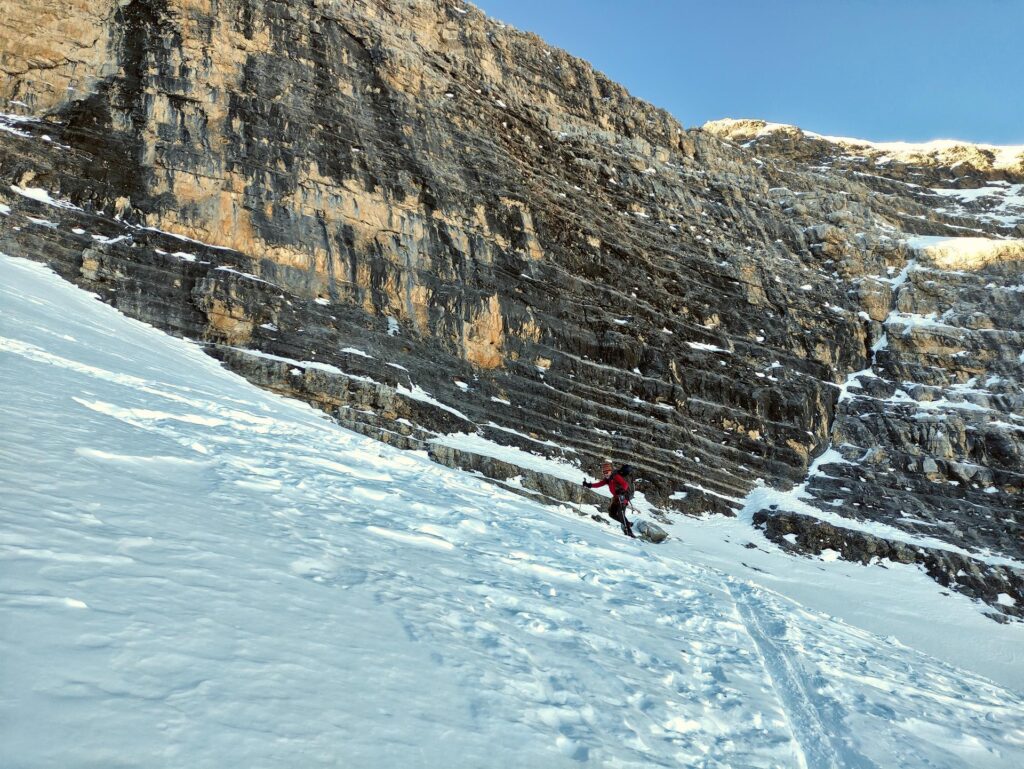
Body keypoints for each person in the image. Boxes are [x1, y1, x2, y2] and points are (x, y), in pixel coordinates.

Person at [583, 461, 635, 538]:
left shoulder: (615, 476)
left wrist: (621, 490)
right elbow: (599, 484)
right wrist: (589, 485)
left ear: (610, 471)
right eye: (604, 472)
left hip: (622, 497)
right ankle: (627, 523)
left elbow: (625, 484)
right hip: (616, 498)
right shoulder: (608, 479)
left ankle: (630, 533)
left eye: (607, 471)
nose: (605, 473)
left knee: (621, 514)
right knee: (612, 514)